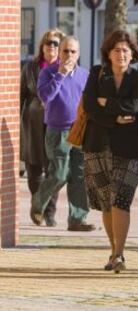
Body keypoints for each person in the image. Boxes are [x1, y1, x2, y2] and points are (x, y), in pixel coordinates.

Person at [82, 30, 138, 273]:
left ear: (133, 54)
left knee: (121, 199)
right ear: (108, 54)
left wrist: (106, 103)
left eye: (125, 50)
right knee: (108, 203)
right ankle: (113, 252)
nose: (121, 54)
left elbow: (136, 106)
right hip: (98, 146)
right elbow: (89, 106)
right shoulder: (96, 74)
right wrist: (115, 119)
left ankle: (119, 253)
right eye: (116, 50)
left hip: (131, 148)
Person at [30, 36, 95, 232]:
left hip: (80, 131)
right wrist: (61, 75)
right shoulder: (48, 72)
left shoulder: (85, 75)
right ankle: (38, 202)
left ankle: (77, 219)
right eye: (65, 51)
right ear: (59, 52)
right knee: (59, 173)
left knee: (80, 176)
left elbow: (89, 103)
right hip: (57, 131)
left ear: (78, 54)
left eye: (73, 51)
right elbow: (45, 96)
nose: (68, 55)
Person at [20, 28, 65, 227]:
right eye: (49, 43)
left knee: (55, 169)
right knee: (34, 168)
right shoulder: (30, 67)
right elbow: (21, 95)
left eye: (56, 43)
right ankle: (37, 205)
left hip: (55, 123)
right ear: (42, 46)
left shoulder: (66, 68)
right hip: (32, 123)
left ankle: (49, 212)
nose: (52, 47)